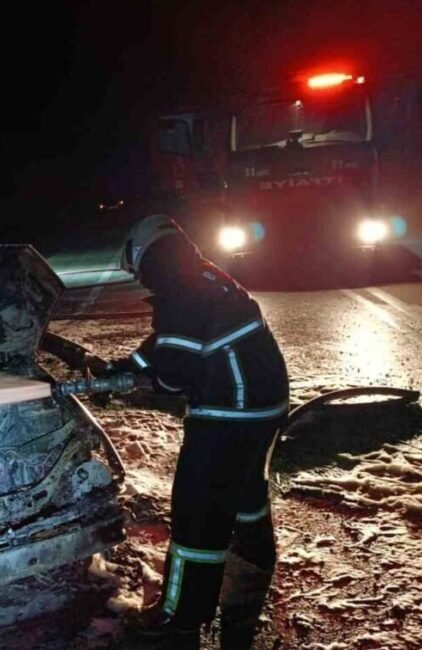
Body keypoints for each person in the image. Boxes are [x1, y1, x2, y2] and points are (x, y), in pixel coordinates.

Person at [111, 214, 289, 648]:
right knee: (244, 493)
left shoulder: (181, 293)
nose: (143, 284)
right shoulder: (201, 276)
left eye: (140, 274)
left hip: (231, 412)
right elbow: (170, 342)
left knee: (198, 515)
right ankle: (250, 572)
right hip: (262, 406)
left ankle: (180, 618)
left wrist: (133, 383)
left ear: (148, 260)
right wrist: (126, 368)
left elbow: (172, 375)